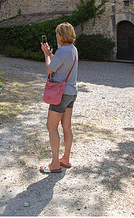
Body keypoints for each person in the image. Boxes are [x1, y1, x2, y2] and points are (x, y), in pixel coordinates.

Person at [39, 22, 78, 173]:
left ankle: (55, 164)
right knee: (67, 127)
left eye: (57, 34)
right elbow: (62, 65)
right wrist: (50, 54)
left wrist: (45, 55)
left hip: (60, 94)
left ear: (62, 36)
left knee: (51, 127)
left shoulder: (63, 51)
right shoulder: (73, 49)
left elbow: (50, 69)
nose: (56, 36)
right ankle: (65, 159)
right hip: (71, 92)